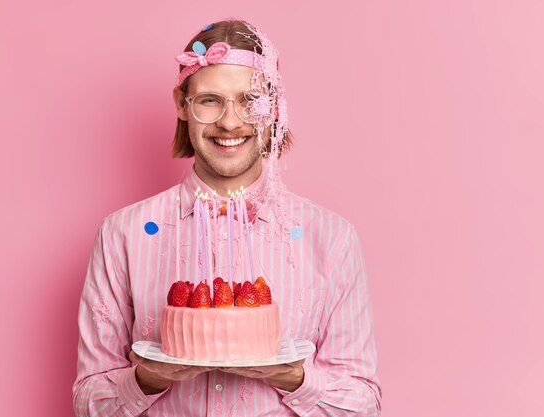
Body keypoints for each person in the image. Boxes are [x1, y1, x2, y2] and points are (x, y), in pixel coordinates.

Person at [73, 19, 382, 416]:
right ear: (182, 105)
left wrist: (295, 380)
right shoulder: (124, 235)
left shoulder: (332, 238)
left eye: (248, 100)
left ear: (273, 108)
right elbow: (87, 404)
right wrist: (147, 380)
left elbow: (364, 407)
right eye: (210, 100)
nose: (230, 121)